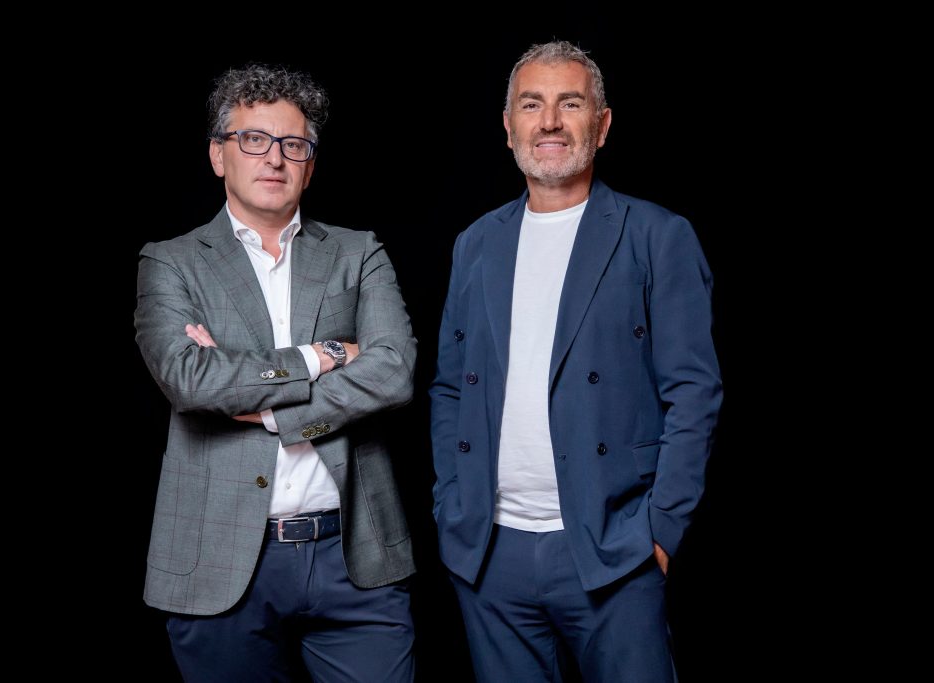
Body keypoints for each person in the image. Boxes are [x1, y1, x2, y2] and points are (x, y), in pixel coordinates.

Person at [429, 41, 722, 682]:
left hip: (614, 547)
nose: (550, 122)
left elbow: (694, 392)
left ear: (602, 123)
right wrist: (452, 508)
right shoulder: (476, 244)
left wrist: (661, 531)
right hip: (490, 553)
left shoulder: (656, 236)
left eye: (570, 103)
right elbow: (450, 388)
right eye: (532, 105)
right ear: (509, 126)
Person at [135, 62, 417, 682]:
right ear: (218, 155)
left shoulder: (358, 252)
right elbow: (191, 380)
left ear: (310, 165)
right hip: (219, 559)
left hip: (354, 555)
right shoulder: (171, 263)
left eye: (294, 144)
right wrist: (325, 355)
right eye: (254, 139)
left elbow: (394, 371)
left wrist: (272, 414)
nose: (274, 158)